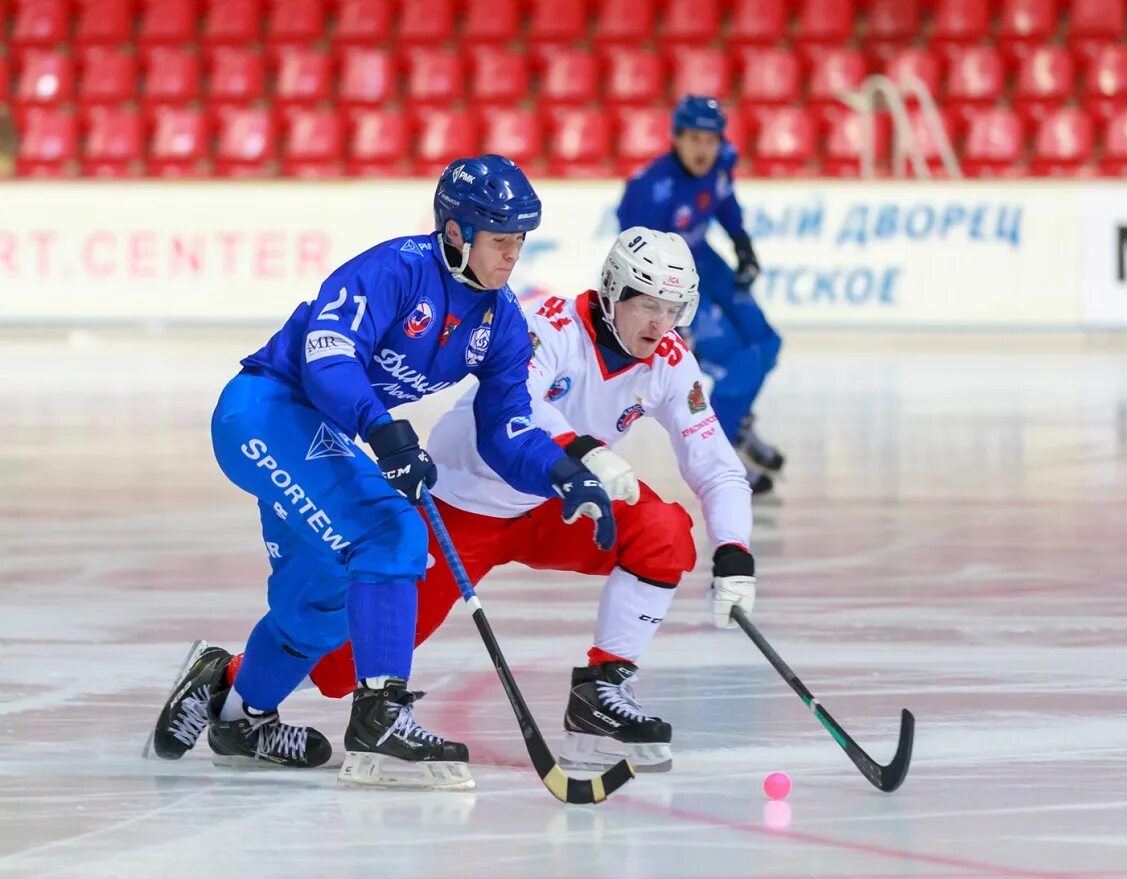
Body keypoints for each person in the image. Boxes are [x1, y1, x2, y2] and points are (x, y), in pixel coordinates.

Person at [153, 227, 757, 775]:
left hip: (553, 499)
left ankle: (602, 691)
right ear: (610, 292)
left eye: (673, 309)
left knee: (664, 533)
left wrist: (734, 550)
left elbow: (716, 464)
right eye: (646, 304)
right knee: (339, 667)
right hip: (465, 504)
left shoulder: (673, 362)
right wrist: (582, 452)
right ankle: (230, 682)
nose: (659, 323)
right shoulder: (542, 324)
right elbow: (520, 415)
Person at [148, 155, 616, 790]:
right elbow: (328, 356)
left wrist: (560, 469)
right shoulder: (396, 268)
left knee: (324, 601)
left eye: (521, 241)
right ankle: (381, 718)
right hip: (265, 412)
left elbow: (505, 425)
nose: (514, 255)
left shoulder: (502, 319)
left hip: (325, 435)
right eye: (502, 240)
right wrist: (382, 427)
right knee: (393, 534)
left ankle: (239, 713)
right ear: (457, 232)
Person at [616, 94, 784, 495]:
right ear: (676, 139)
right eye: (694, 139)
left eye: (711, 140)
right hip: (669, 281)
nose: (703, 150)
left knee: (766, 343)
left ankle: (738, 422)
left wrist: (743, 244)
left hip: (704, 260)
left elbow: (725, 203)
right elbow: (630, 257)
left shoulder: (722, 161)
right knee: (738, 362)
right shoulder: (648, 188)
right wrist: (664, 319)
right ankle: (721, 459)